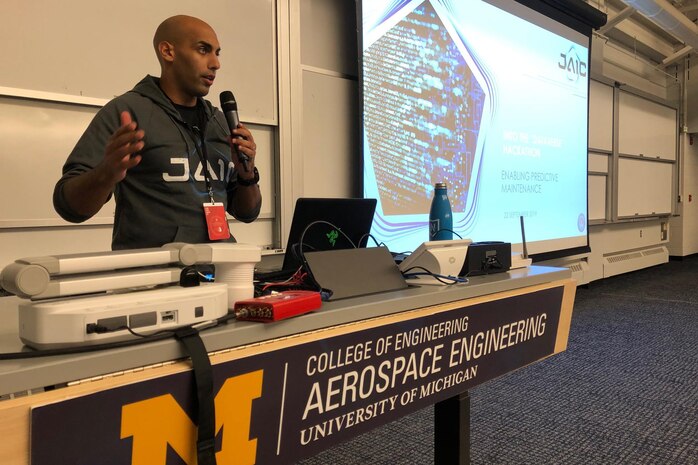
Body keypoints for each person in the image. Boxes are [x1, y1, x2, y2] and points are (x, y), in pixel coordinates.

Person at [53, 15, 262, 250]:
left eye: (217, 53)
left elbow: (247, 213)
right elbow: (69, 206)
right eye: (203, 50)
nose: (215, 63)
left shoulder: (220, 122)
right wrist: (106, 174)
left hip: (221, 272)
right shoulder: (127, 112)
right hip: (154, 278)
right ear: (167, 52)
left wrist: (247, 176)